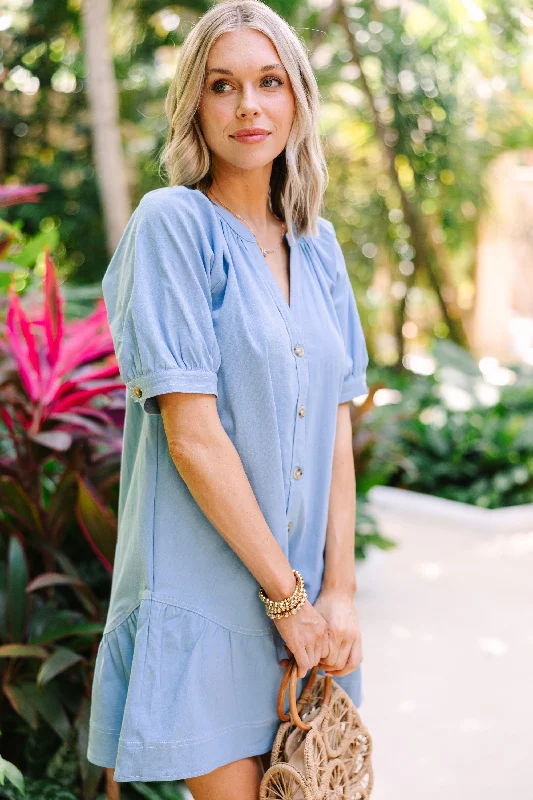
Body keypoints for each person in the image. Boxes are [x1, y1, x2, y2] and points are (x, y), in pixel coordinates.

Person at [87, 0, 370, 796]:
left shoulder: (319, 246)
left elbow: (337, 428)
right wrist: (291, 603)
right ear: (195, 106)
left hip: (312, 621)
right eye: (223, 85)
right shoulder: (171, 225)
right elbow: (193, 437)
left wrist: (338, 596)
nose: (249, 106)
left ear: (297, 100)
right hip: (209, 609)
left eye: (269, 81)